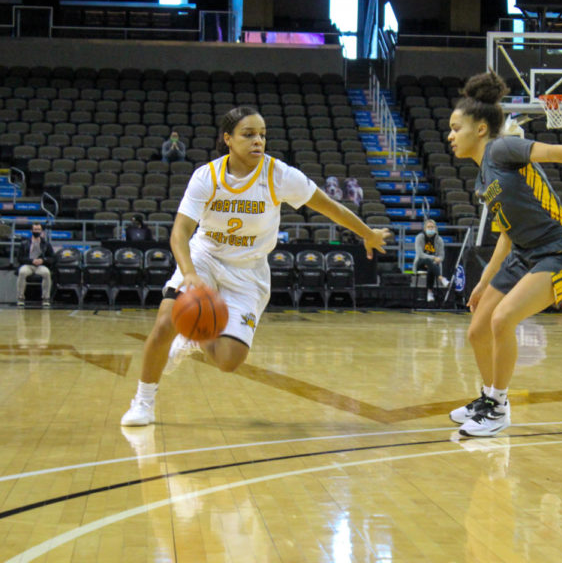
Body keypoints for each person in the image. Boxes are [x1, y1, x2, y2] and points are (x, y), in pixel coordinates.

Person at [121, 106, 391, 426]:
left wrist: (368, 234)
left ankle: (195, 335)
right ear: (228, 140)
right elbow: (179, 233)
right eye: (248, 135)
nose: (258, 141)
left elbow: (329, 207)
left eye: (262, 135)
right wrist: (190, 273)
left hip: (249, 271)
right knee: (165, 321)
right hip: (206, 258)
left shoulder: (279, 175)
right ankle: (143, 401)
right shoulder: (207, 176)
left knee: (228, 361)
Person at [446, 72, 562, 437]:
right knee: (479, 327)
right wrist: (482, 283)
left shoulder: (502, 148)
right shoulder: (482, 180)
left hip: (558, 250)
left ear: (480, 129)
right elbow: (506, 238)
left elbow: (553, 151)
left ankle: (498, 408)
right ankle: (486, 398)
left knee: (503, 320)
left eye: (455, 128)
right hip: (522, 254)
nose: (450, 136)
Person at [17, 222, 55, 307]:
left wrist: (43, 260)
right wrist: (31, 261)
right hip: (28, 265)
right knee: (22, 272)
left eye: (38, 229)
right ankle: (20, 298)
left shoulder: (46, 244)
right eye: (35, 229)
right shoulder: (24, 243)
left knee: (46, 273)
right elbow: (19, 258)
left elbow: (52, 258)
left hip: (41, 265)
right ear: (31, 230)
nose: (36, 231)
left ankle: (46, 298)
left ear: (41, 231)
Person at [414, 218, 450, 302]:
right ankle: (441, 279)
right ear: (425, 228)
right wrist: (433, 258)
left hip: (433, 264)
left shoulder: (439, 240)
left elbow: (442, 256)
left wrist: (438, 259)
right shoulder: (419, 237)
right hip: (421, 262)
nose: (431, 229)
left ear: (435, 228)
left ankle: (429, 293)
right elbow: (420, 254)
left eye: (432, 227)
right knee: (428, 260)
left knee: (431, 266)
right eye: (429, 227)